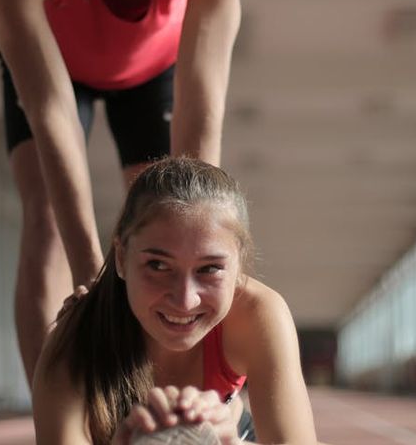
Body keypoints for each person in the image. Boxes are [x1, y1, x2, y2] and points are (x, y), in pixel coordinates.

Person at [0, 0, 246, 386]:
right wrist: (91, 283)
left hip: (153, 69)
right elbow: (53, 115)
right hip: (51, 65)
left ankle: (166, 393)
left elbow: (201, 106)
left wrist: (196, 237)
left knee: (163, 222)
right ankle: (56, 413)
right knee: (47, 219)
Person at [32, 157, 318, 444]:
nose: (184, 299)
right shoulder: (74, 340)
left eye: (209, 269)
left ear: (238, 265)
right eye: (157, 265)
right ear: (121, 257)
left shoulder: (259, 313)